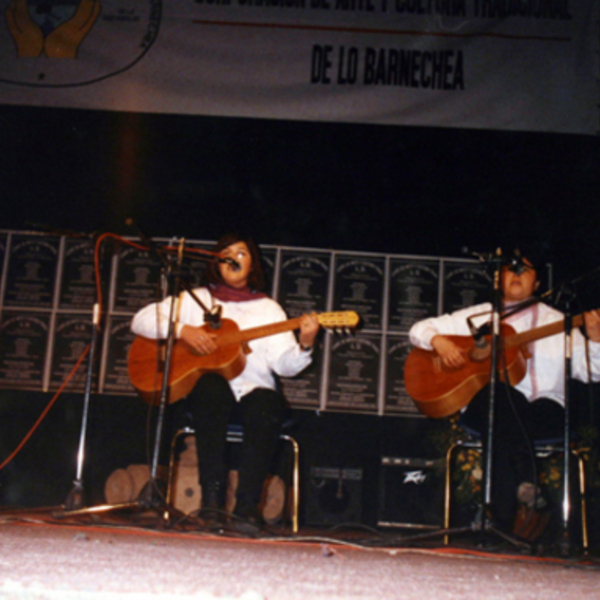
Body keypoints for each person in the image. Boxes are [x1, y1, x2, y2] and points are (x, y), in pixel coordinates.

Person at [131, 232, 320, 527]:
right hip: (209, 398)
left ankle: (246, 507)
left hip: (254, 394)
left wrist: (305, 345)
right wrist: (183, 330)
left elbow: (285, 366)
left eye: (242, 253)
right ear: (216, 262)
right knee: (210, 386)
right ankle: (211, 504)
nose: (234, 258)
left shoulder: (269, 309)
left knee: (266, 402)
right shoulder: (196, 300)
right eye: (227, 253)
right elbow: (140, 320)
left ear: (252, 265)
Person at [408, 250, 600, 534]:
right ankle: (524, 480)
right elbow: (418, 329)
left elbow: (593, 371)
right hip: (487, 410)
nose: (518, 273)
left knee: (512, 409)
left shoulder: (560, 322)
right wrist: (439, 341)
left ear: (537, 284)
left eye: (526, 269)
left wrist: (595, 340)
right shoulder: (478, 317)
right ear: (499, 279)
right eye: (511, 269)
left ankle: (494, 520)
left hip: (545, 413)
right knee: (500, 394)